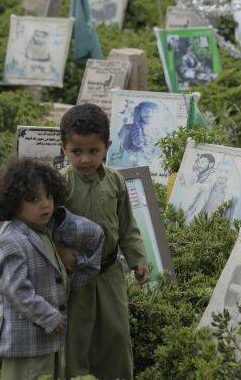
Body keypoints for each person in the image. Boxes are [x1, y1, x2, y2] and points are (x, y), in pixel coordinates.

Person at [58, 103, 149, 380]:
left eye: (93, 151)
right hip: (75, 274)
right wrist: (60, 251)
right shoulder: (60, 184)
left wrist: (138, 260)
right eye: (76, 152)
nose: (85, 159)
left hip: (110, 271)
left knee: (116, 332)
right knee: (77, 335)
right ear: (64, 148)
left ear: (107, 146)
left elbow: (127, 227)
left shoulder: (116, 182)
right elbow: (48, 227)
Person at [0, 159, 104, 380]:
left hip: (47, 341)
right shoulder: (11, 240)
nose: (44, 204)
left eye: (48, 196)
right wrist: (50, 318)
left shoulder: (41, 231)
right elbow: (18, 292)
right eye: (33, 199)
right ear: (14, 203)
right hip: (25, 344)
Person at [114, 101, 162, 169]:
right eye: (146, 111)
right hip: (129, 168)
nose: (149, 114)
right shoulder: (126, 129)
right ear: (140, 113)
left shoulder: (159, 133)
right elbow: (116, 151)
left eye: (152, 112)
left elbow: (159, 155)